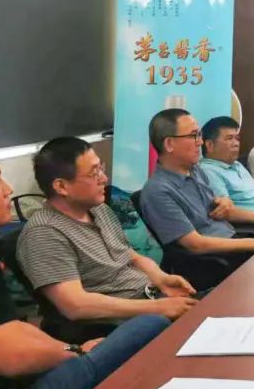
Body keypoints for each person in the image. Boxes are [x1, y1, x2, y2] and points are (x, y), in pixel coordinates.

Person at [0, 131, 168, 389]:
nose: (8, 189)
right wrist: (77, 353)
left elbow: (10, 328)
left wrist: (68, 349)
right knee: (151, 325)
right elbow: (11, 355)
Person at [17, 136, 198, 327]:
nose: (104, 178)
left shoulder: (99, 209)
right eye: (94, 173)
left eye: (101, 168)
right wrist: (157, 308)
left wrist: (161, 279)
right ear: (62, 186)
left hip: (152, 300)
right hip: (124, 324)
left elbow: (131, 256)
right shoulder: (44, 233)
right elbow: (75, 305)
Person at [140, 109, 254, 287]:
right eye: (193, 136)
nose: (200, 142)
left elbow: (225, 212)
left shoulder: (195, 171)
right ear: (169, 144)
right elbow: (196, 244)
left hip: (233, 240)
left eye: (199, 135)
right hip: (213, 261)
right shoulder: (157, 191)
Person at [198, 116, 254, 221]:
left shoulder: (237, 165)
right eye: (229, 138)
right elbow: (227, 211)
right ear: (209, 145)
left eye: (237, 138)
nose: (236, 143)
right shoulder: (209, 171)